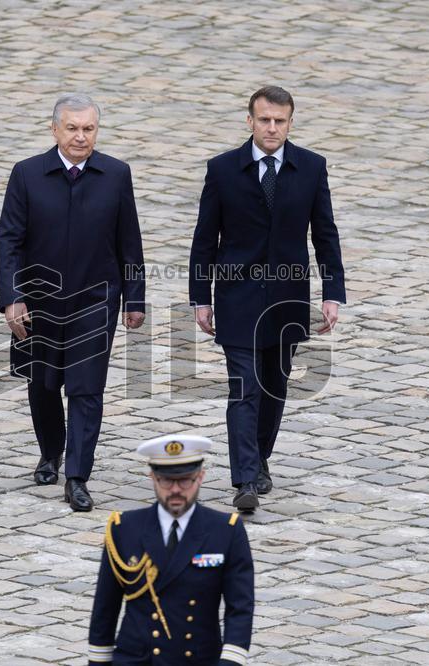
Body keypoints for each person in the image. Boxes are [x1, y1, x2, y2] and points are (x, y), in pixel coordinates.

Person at [188, 86, 346, 512]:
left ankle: (259, 460)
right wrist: (200, 298)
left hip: (288, 299)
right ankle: (243, 480)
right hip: (237, 297)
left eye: (279, 121)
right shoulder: (222, 170)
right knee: (244, 388)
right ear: (250, 121)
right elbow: (205, 239)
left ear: (290, 123)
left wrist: (333, 293)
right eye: (264, 120)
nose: (271, 127)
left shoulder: (311, 168)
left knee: (274, 386)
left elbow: (325, 234)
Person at [0, 93, 146, 512]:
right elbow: (9, 240)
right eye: (72, 128)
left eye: (88, 129)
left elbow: (129, 242)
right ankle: (51, 452)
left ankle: (78, 476)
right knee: (43, 385)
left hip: (95, 303)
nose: (81, 137)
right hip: (38, 304)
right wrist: (12, 297)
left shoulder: (116, 174)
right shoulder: (27, 174)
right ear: (55, 129)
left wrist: (135, 298)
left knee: (86, 390)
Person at [88, 435, 254, 665]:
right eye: (166, 481)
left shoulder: (225, 531)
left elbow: (240, 608)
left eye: (185, 480)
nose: (176, 489)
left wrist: (230, 662)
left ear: (200, 478)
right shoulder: (124, 528)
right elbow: (105, 609)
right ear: (152, 479)